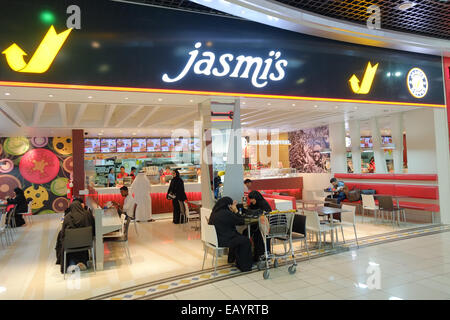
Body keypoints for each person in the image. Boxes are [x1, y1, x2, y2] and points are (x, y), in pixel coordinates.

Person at [208, 197, 253, 272]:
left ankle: (232, 259)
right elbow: (241, 221)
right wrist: (235, 211)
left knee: (239, 237)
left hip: (217, 239)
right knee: (245, 240)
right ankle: (244, 266)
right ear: (229, 205)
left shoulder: (214, 212)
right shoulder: (226, 213)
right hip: (224, 240)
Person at [55, 198, 95, 273]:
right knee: (79, 242)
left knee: (63, 241)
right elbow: (93, 228)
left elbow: (63, 233)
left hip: (71, 245)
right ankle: (82, 262)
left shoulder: (67, 217)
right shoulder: (87, 215)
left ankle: (71, 264)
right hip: (86, 243)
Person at [244, 191, 272, 262]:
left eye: (252, 199)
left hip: (263, 226)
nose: (250, 200)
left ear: (256, 198)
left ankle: (260, 255)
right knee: (245, 232)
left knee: (257, 235)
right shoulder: (253, 204)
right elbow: (250, 211)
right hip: (256, 225)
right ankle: (254, 255)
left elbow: (267, 213)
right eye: (250, 199)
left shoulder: (263, 203)